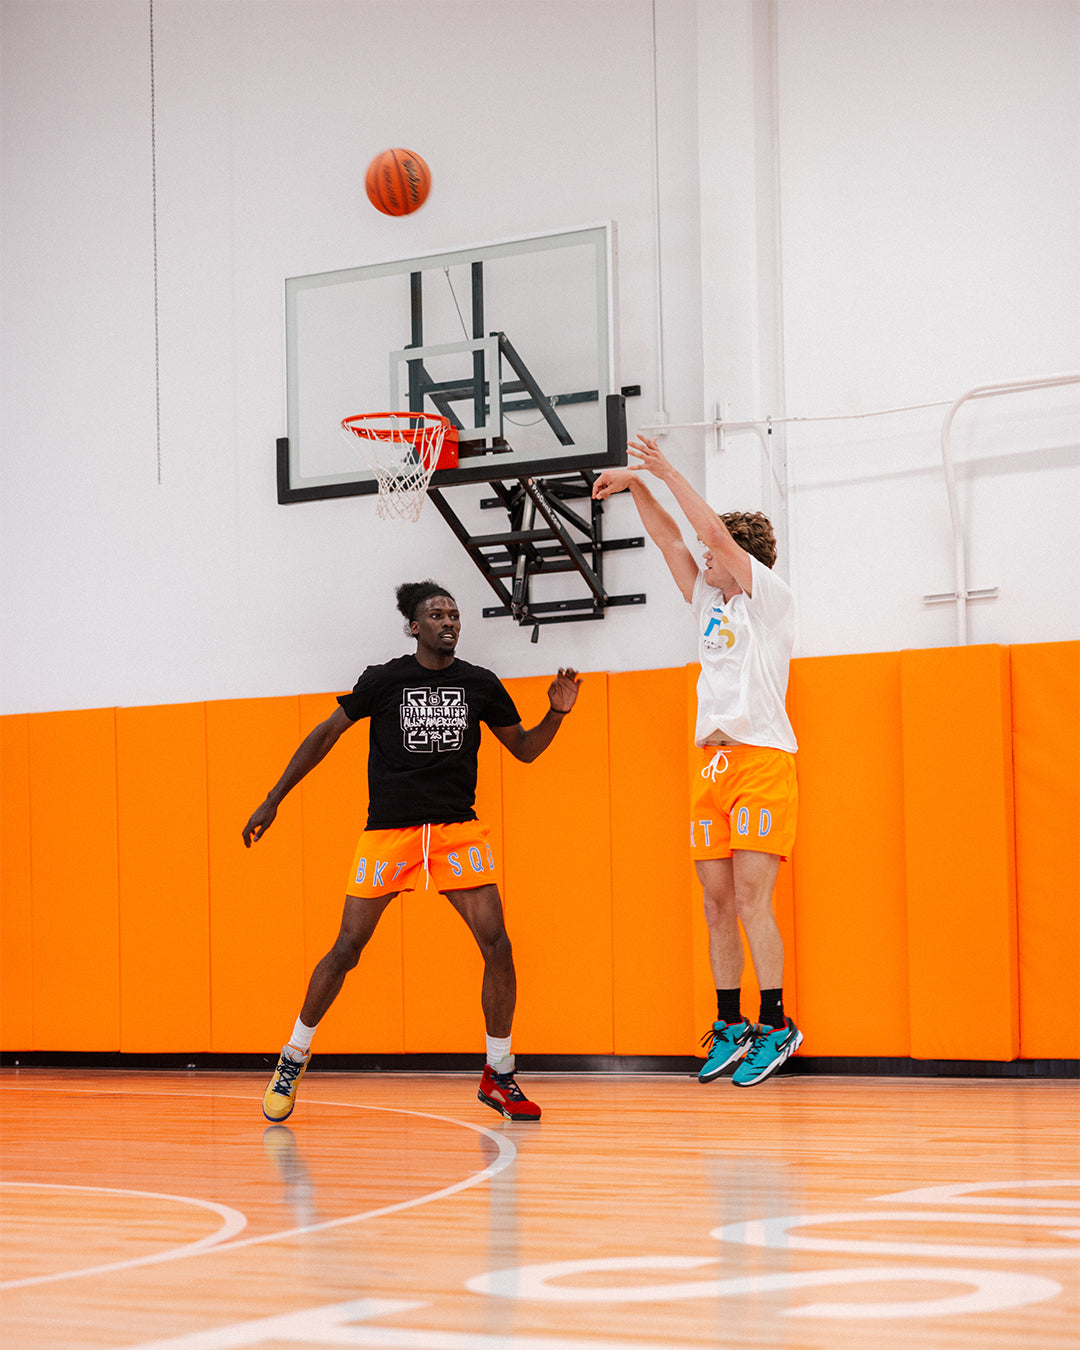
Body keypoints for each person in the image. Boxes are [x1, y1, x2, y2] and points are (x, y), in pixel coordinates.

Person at [242, 580, 581, 1123]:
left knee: (498, 945)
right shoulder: (384, 680)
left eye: (454, 614)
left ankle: (499, 1074)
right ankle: (293, 1056)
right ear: (414, 626)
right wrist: (273, 798)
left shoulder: (480, 683)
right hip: (390, 832)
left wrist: (556, 715)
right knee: (347, 948)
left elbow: (524, 751)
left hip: (455, 830)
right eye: (435, 614)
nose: (448, 621)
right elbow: (325, 736)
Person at [593, 436, 802, 1087]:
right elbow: (673, 542)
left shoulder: (768, 600)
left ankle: (777, 1025)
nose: (703, 556)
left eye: (714, 554)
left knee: (750, 897)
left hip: (762, 761)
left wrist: (666, 469)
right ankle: (731, 1022)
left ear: (739, 561)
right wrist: (636, 488)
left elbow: (706, 529)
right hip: (710, 770)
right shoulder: (709, 601)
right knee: (715, 903)